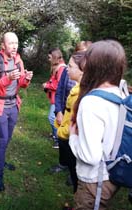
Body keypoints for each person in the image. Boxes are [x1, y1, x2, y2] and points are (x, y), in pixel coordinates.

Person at [69, 40, 127, 210]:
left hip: (94, 180)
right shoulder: (120, 92)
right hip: (113, 173)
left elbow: (90, 156)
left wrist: (73, 136)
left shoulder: (91, 103)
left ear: (95, 66)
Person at [0, 32, 33, 191]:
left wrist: (26, 78)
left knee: (7, 138)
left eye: (16, 43)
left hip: (14, 106)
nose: (14, 46)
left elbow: (22, 84)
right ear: (3, 45)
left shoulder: (18, 60)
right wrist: (8, 78)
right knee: (2, 138)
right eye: (11, 43)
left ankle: (1, 160)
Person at [50, 41, 92, 174]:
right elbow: (60, 91)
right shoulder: (67, 72)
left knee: (74, 144)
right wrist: (58, 111)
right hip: (64, 114)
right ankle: (63, 164)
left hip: (75, 121)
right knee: (63, 141)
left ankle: (73, 171)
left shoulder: (90, 85)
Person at [56, 50, 86, 193]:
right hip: (66, 136)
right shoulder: (77, 88)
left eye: (71, 66)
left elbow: (75, 122)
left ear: (82, 71)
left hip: (70, 139)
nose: (67, 68)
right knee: (75, 177)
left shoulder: (81, 95)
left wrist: (62, 132)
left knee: (76, 178)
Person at [42, 48, 66, 149]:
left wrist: (47, 86)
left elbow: (58, 85)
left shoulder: (61, 68)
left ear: (55, 57)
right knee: (54, 117)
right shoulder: (56, 67)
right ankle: (55, 135)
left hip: (58, 98)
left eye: (49, 57)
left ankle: (58, 139)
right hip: (54, 97)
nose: (48, 59)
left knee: (52, 118)